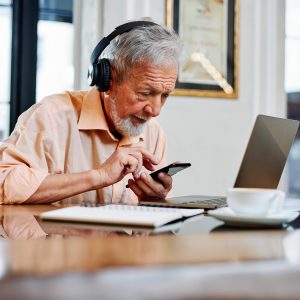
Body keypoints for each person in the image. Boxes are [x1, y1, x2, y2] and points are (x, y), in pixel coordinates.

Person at [0, 20, 182, 205]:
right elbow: (4, 183)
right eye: (145, 93)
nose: (156, 110)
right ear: (107, 80)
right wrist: (98, 176)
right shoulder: (51, 116)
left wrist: (155, 201)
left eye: (165, 95)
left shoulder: (154, 133)